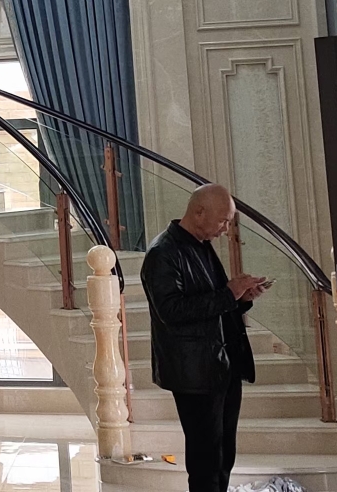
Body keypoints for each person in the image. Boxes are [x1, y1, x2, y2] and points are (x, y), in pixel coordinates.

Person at [140, 184, 271, 492]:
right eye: (223, 221)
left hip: (223, 366)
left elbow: (211, 301)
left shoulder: (200, 244)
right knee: (206, 460)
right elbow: (171, 311)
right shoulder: (162, 253)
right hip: (195, 373)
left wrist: (241, 298)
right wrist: (228, 294)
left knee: (224, 454)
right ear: (199, 212)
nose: (226, 230)